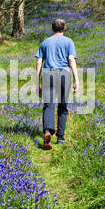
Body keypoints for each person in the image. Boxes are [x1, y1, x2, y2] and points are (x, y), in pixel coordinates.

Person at [35, 18, 79, 150]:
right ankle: (60, 137)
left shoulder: (45, 42)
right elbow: (71, 60)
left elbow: (39, 62)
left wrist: (37, 82)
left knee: (48, 105)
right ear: (64, 28)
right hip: (64, 74)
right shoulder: (69, 42)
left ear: (52, 29)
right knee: (63, 106)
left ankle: (47, 132)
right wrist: (77, 79)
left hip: (48, 74)